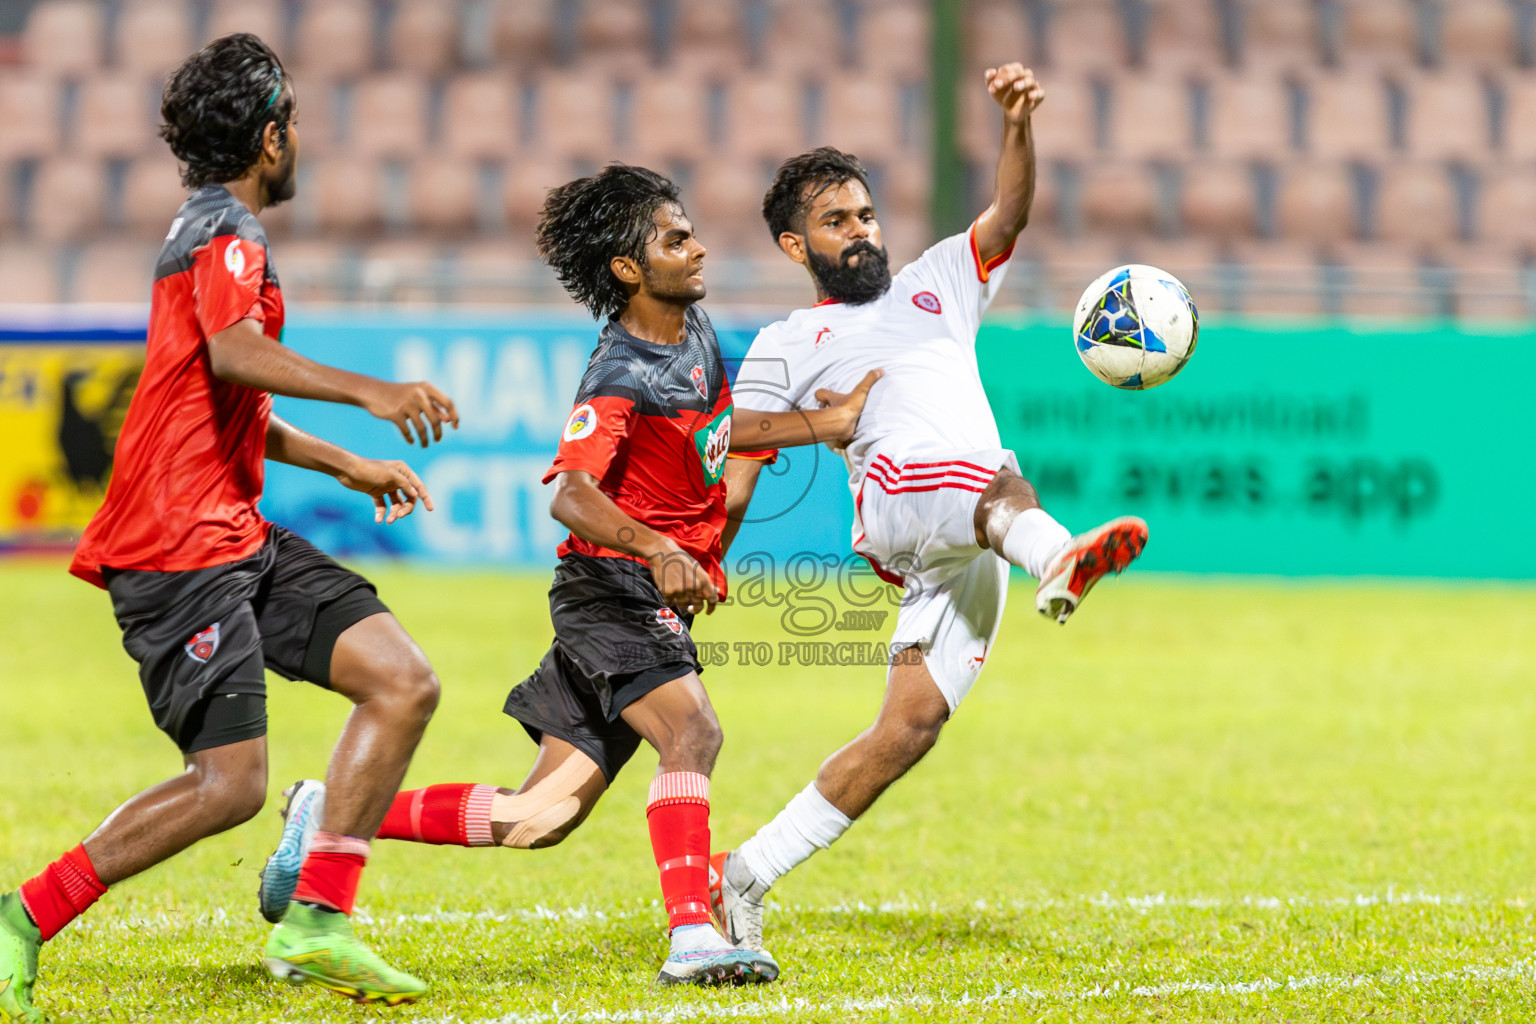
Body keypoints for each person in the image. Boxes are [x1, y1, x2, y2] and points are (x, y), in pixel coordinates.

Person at [257, 164, 879, 987]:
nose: (696, 246)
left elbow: (719, 430)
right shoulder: (617, 372)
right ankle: (695, 934)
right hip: (610, 592)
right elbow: (573, 497)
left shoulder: (691, 334)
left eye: (688, 230)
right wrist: (660, 548)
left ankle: (322, 812)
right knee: (693, 732)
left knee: (536, 817)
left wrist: (822, 423)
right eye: (674, 238)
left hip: (638, 595)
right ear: (629, 270)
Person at [0, 35, 461, 1021]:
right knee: (228, 785)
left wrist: (347, 461)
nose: (298, 140)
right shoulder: (226, 233)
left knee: (402, 680)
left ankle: (317, 925)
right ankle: (21, 917)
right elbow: (232, 352)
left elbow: (223, 393)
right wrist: (373, 396)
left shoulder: (218, 230)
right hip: (175, 550)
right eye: (291, 122)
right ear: (269, 135)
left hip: (234, 532)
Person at [708, 64, 1149, 954]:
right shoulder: (788, 343)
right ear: (797, 247)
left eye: (866, 214)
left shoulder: (939, 277)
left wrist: (1017, 126)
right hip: (903, 504)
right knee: (988, 473)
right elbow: (736, 444)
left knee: (909, 727)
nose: (862, 231)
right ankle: (1059, 555)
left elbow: (1009, 214)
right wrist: (706, 555)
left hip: (975, 539)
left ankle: (742, 878)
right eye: (837, 222)